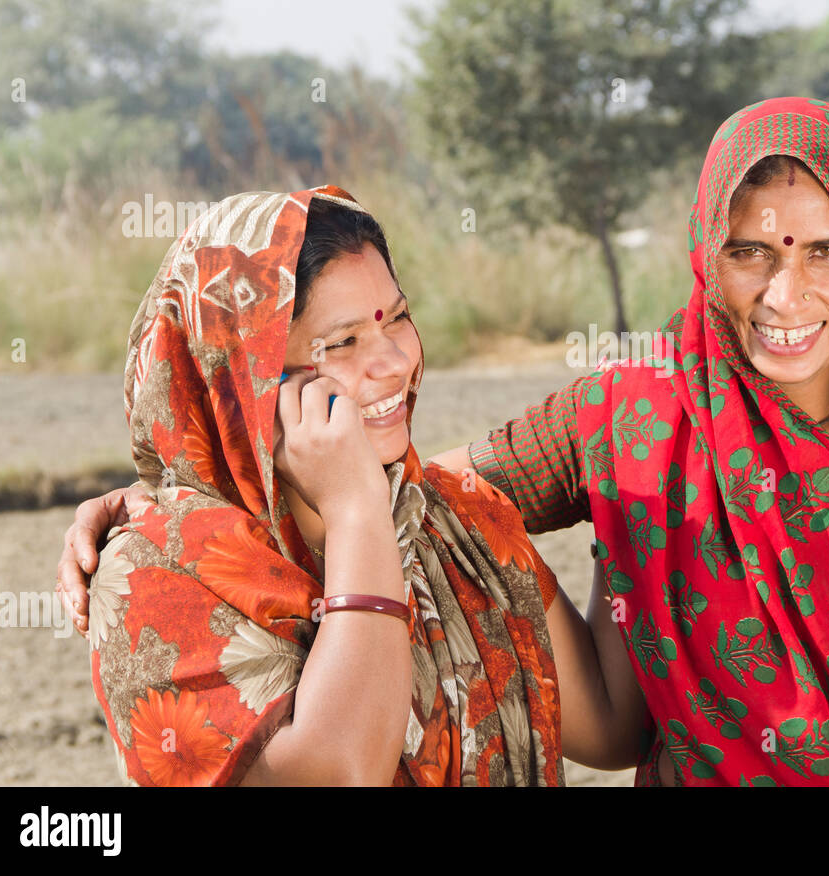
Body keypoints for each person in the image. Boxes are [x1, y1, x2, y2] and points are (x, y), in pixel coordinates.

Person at [63, 98, 829, 787]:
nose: (787, 293)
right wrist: (159, 495)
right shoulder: (628, 416)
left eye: (827, 250)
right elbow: (425, 487)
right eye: (748, 251)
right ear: (702, 254)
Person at [77, 184, 646, 786]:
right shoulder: (154, 580)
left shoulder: (458, 518)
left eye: (397, 318)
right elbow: (343, 775)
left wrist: (633, 484)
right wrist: (355, 511)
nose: (395, 362)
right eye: (343, 342)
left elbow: (612, 724)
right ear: (241, 380)